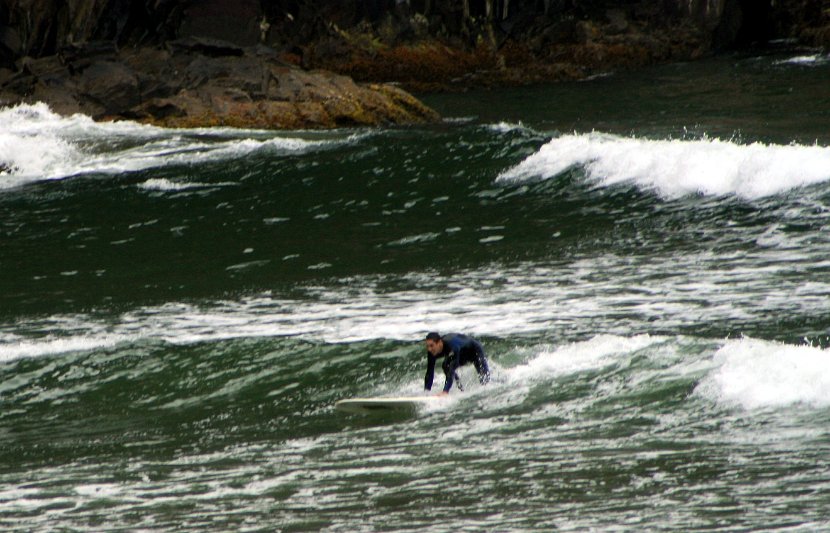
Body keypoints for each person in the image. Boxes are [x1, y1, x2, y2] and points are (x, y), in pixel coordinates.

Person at [424, 332, 490, 395]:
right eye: (427, 346)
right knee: (445, 366)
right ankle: (461, 389)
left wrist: (445, 391)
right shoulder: (431, 352)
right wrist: (426, 392)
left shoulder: (452, 346)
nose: (429, 349)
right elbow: (429, 372)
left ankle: (447, 391)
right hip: (461, 353)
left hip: (475, 350)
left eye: (432, 346)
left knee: (485, 381)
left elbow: (451, 369)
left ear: (439, 343)